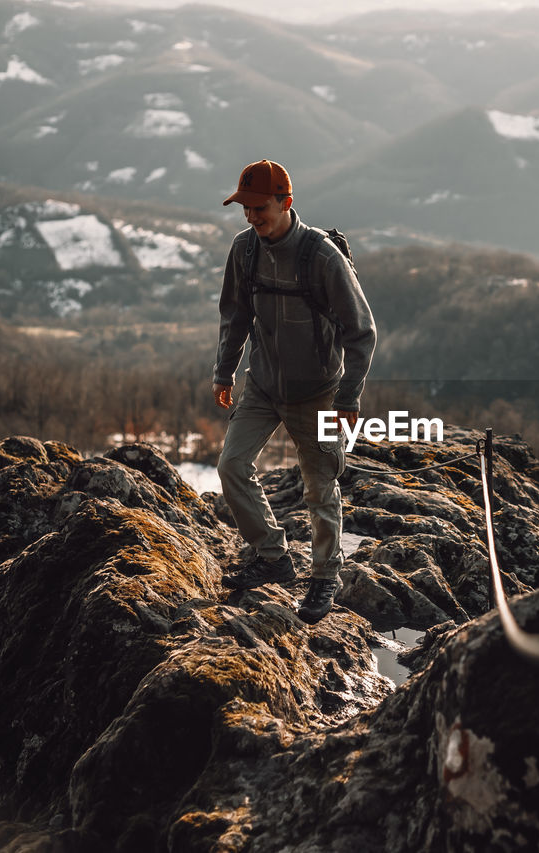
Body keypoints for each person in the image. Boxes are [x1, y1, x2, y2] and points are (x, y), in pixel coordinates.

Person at [212, 159, 376, 624]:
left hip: (319, 393)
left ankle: (325, 577)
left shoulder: (322, 256)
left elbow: (361, 332)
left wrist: (348, 397)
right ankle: (272, 556)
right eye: (244, 208)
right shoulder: (244, 251)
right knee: (231, 466)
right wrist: (224, 372)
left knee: (320, 486)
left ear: (286, 203)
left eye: (258, 208)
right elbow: (235, 318)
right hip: (263, 386)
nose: (250, 217)